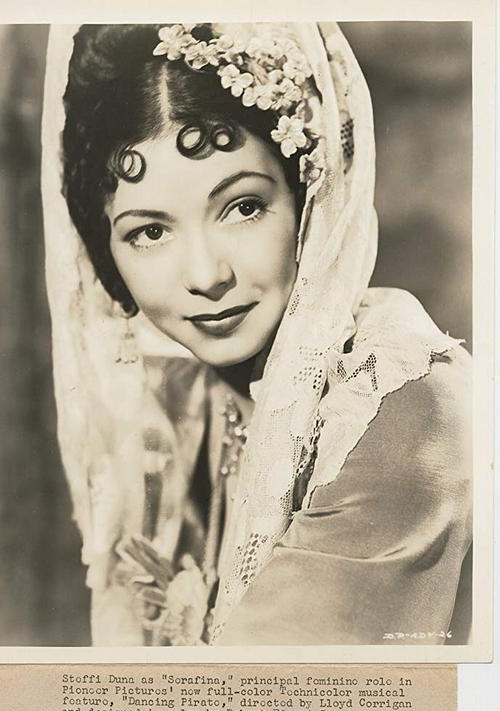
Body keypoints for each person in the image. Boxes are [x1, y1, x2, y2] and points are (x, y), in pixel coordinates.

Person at [41, 22, 472, 646]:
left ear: (309, 198)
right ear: (105, 251)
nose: (206, 276)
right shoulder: (196, 402)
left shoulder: (399, 408)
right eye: (149, 232)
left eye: (243, 207)